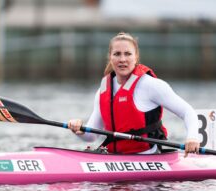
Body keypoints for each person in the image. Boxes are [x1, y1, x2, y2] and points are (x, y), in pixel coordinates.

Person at [68, 32, 200, 157]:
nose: (122, 59)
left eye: (127, 54)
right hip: (115, 157)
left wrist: (192, 137)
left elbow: (188, 112)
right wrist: (78, 130)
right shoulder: (102, 91)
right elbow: (91, 136)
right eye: (117, 54)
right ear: (110, 57)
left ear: (136, 57)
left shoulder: (151, 85)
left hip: (148, 155)